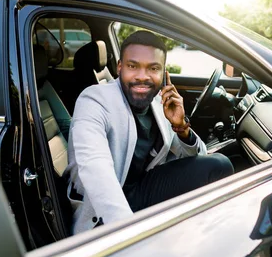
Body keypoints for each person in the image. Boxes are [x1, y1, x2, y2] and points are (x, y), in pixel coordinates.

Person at [67, 30, 234, 234]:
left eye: (153, 68)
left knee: (218, 165)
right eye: (132, 66)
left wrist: (181, 127)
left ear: (164, 73)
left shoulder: (158, 101)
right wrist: (127, 235)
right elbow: (95, 168)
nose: (142, 77)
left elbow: (196, 155)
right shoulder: (94, 100)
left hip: (140, 185)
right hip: (108, 207)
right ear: (120, 67)